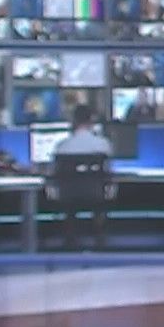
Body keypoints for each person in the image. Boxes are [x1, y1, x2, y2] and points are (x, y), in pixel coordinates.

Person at [51, 104, 116, 249]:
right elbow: (109, 172)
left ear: (73, 121)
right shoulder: (103, 145)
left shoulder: (62, 146)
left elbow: (55, 174)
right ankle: (100, 240)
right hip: (96, 194)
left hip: (68, 197)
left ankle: (70, 240)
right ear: (91, 121)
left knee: (69, 203)